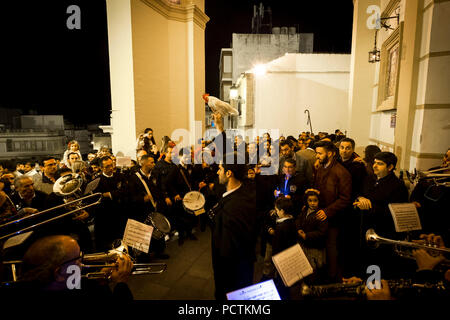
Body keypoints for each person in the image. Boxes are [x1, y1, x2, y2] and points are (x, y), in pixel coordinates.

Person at [209, 112, 258, 301]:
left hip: (231, 274)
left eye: (220, 168)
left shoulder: (235, 209)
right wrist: (220, 127)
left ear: (229, 173)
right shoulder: (242, 189)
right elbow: (230, 156)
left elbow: (229, 251)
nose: (218, 170)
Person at [8, 235, 133, 300]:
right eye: (78, 259)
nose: (83, 263)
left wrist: (100, 280)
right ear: (58, 273)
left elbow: (73, 285)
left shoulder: (56, 282)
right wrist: (121, 283)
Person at [313, 140, 352, 282]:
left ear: (330, 154)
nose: (316, 156)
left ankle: (332, 280)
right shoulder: (321, 167)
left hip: (333, 219)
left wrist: (327, 211)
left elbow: (345, 199)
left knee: (332, 251)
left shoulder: (342, 172)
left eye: (319, 153)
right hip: (320, 215)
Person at [295, 190, 328, 274]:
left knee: (314, 268)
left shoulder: (320, 214)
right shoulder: (305, 210)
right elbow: (298, 220)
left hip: (315, 247)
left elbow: (322, 232)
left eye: (315, 200)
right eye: (310, 200)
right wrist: (299, 229)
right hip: (303, 244)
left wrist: (307, 235)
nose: (312, 203)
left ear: (319, 201)